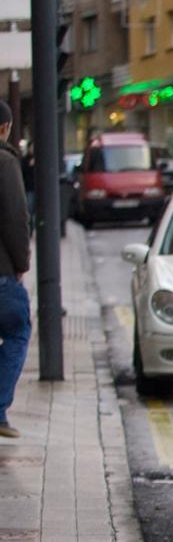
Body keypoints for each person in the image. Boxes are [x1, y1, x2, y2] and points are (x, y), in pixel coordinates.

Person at [0, 100, 31, 439]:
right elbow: (15, 218)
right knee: (17, 331)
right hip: (2, 273)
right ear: (5, 128)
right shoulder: (4, 162)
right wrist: (21, 263)